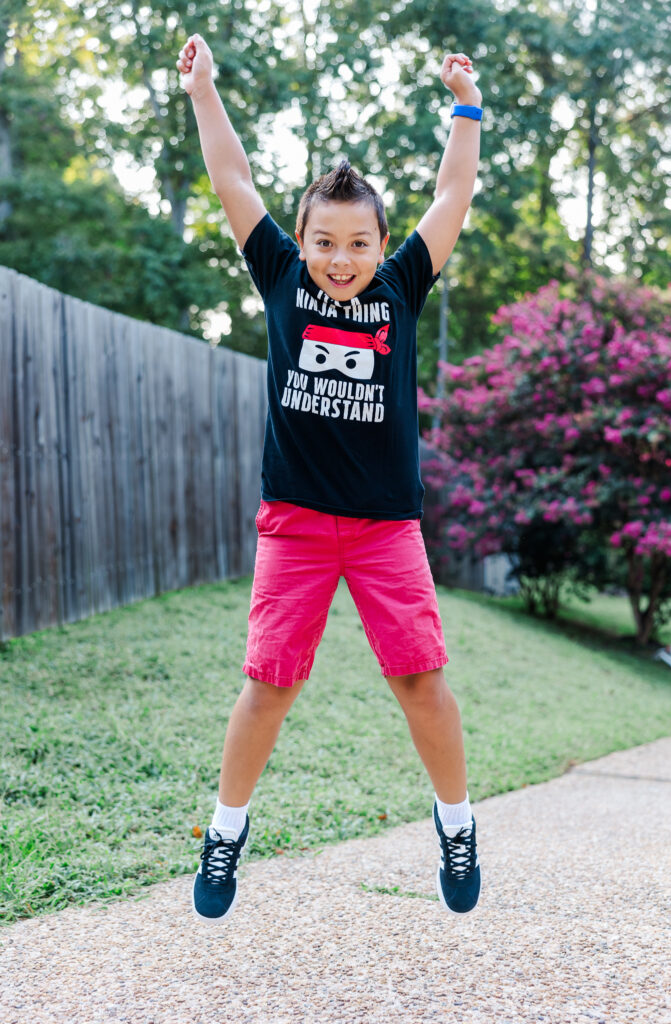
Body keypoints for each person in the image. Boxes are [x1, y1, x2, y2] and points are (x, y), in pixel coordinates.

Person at [176, 32, 483, 924]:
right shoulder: (279, 275)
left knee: (419, 679)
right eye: (324, 242)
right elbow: (234, 180)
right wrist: (203, 92)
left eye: (357, 243)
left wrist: (464, 107)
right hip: (297, 524)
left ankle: (455, 823)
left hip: (386, 525)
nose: (340, 258)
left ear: (383, 244)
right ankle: (225, 831)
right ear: (302, 241)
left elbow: (452, 191)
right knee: (268, 683)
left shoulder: (398, 288)